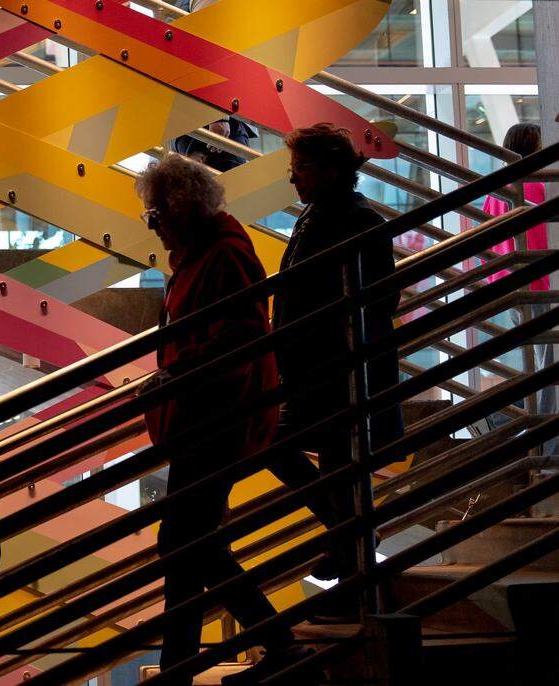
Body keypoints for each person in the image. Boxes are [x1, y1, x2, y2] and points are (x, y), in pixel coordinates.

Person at [137, 154, 312, 685]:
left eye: (155, 214)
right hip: (204, 417)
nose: (153, 225)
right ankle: (191, 664)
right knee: (194, 545)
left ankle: (266, 646)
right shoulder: (202, 254)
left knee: (184, 544)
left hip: (217, 418)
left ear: (181, 208)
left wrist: (176, 375)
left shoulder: (223, 256)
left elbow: (239, 337)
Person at [272, 124, 404, 608]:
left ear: (330, 168)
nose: (294, 180)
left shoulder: (352, 220)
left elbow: (376, 300)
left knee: (320, 461)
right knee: (335, 472)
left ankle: (351, 556)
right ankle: (347, 544)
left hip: (337, 374)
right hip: (321, 372)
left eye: (300, 169)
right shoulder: (327, 214)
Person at [480, 123, 555, 449]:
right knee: (547, 365)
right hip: (538, 285)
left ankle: (533, 432)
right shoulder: (538, 186)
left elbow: (485, 241)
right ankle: (543, 439)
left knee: (535, 363)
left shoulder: (496, 191)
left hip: (509, 287)